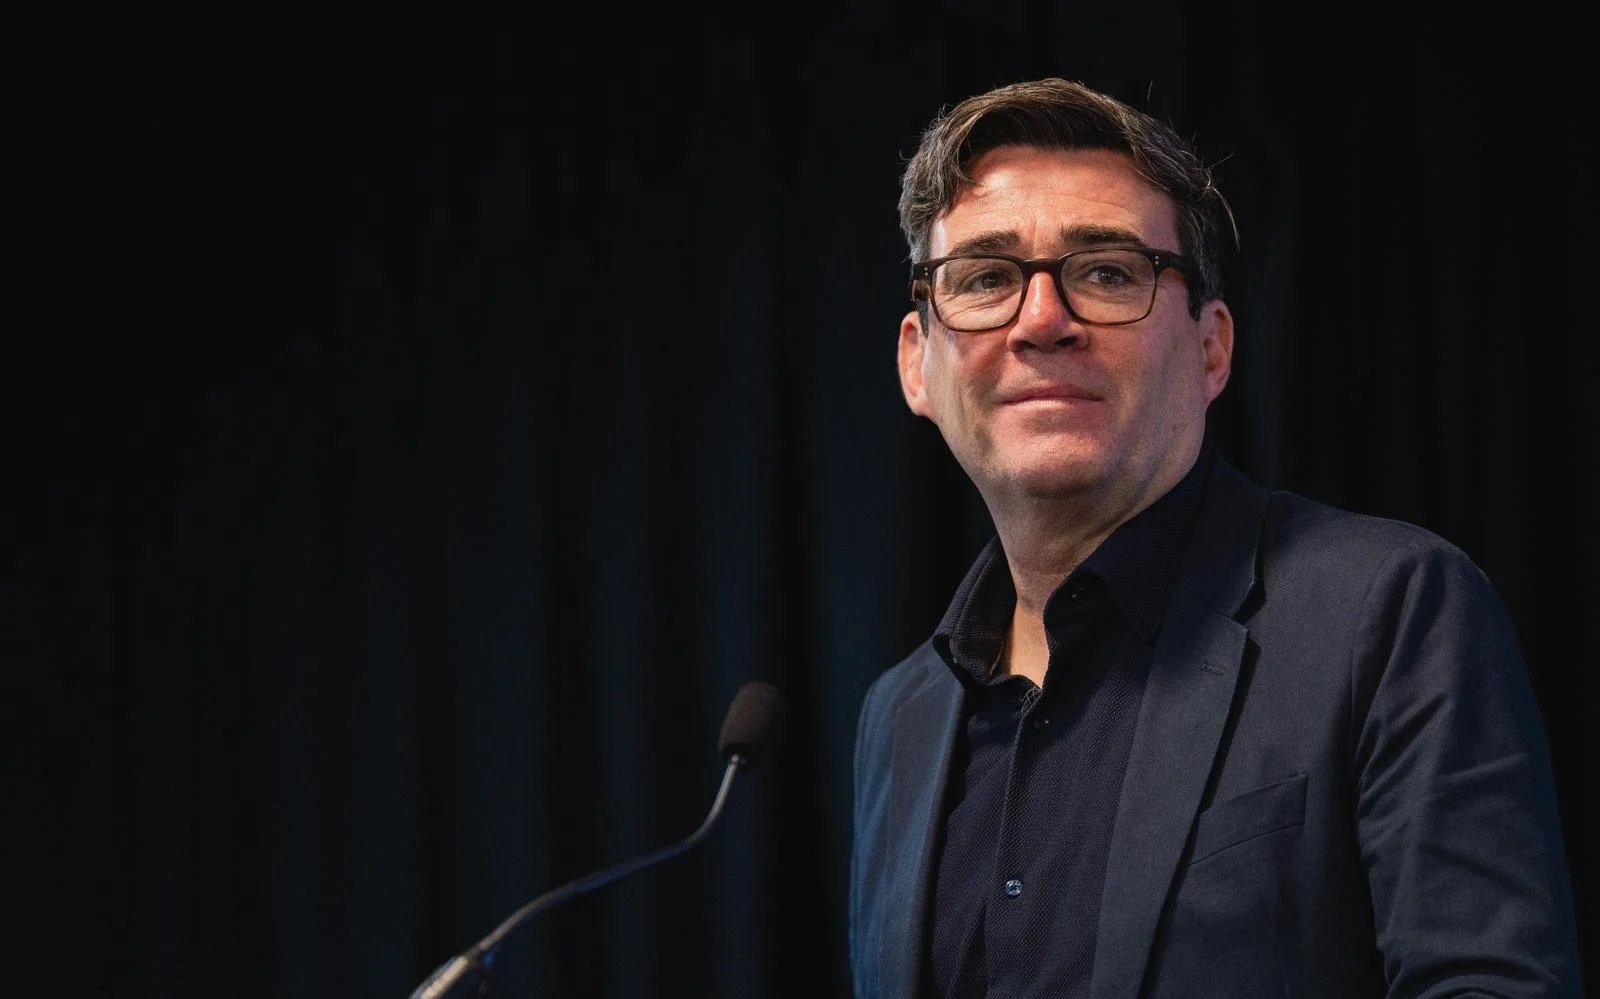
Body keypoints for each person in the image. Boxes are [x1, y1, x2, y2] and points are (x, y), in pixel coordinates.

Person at [848, 77, 1583, 998]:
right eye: (987, 277)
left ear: (1212, 349)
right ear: (920, 361)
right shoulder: (897, 717)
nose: (1042, 321)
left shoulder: (1387, 611)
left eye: (1108, 271)